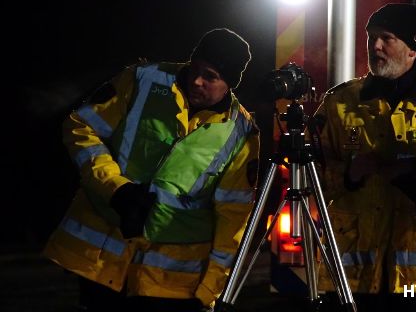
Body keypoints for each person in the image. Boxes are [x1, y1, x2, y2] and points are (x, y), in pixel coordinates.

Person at [44, 28, 260, 311]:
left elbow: (233, 217)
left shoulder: (241, 133)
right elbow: (80, 127)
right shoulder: (142, 79)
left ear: (229, 83)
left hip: (170, 281)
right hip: (101, 258)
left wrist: (213, 289)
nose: (196, 80)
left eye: (210, 76)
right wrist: (115, 189)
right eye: (195, 68)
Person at [313, 3, 416, 311]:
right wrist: (348, 174)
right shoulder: (340, 102)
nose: (375, 46)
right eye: (371, 37)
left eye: (386, 38)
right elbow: (310, 176)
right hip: (354, 276)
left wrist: (414, 171)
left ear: (413, 47)